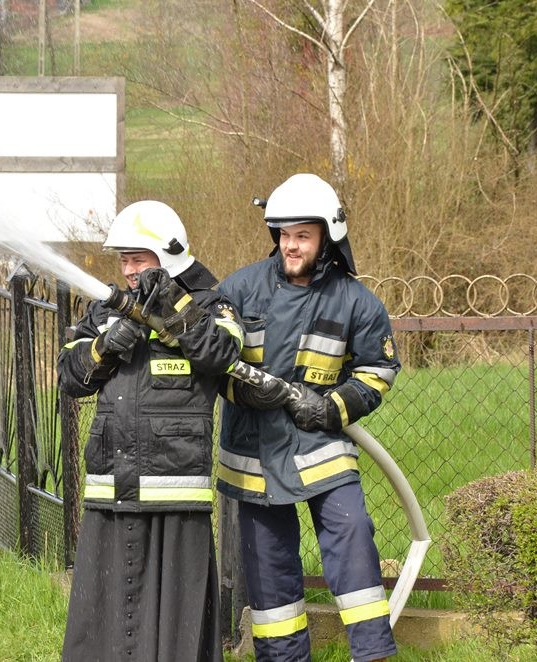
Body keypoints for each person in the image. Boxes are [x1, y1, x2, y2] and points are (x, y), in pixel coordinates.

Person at [217, 173, 401, 662]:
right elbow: (211, 359)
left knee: (352, 534)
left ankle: (373, 653)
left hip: (321, 445)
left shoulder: (356, 302)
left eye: (302, 235)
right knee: (270, 572)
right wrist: (242, 389)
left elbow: (379, 370)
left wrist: (331, 407)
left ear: (327, 237)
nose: (291, 245)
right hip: (254, 456)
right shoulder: (239, 289)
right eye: (284, 234)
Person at [58, 200, 243, 662]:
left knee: (176, 629)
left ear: (169, 257)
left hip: (175, 493)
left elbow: (222, 354)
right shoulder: (105, 311)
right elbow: (69, 376)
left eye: (138, 259)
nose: (128, 271)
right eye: (124, 260)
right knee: (102, 623)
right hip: (111, 489)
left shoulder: (210, 305)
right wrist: (103, 348)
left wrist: (173, 306)